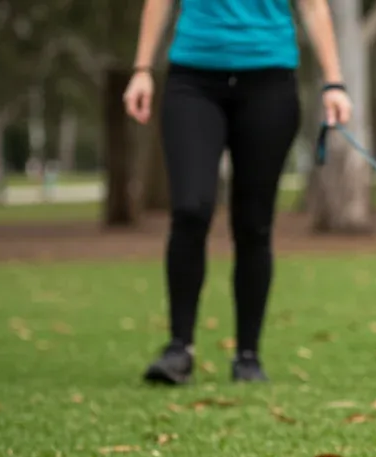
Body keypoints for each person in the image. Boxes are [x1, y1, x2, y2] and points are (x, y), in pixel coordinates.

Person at [123, 0, 351, 384]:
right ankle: (180, 349)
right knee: (191, 209)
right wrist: (142, 69)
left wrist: (334, 82)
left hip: (270, 81)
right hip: (193, 80)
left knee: (254, 224)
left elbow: (313, 8)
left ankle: (248, 356)